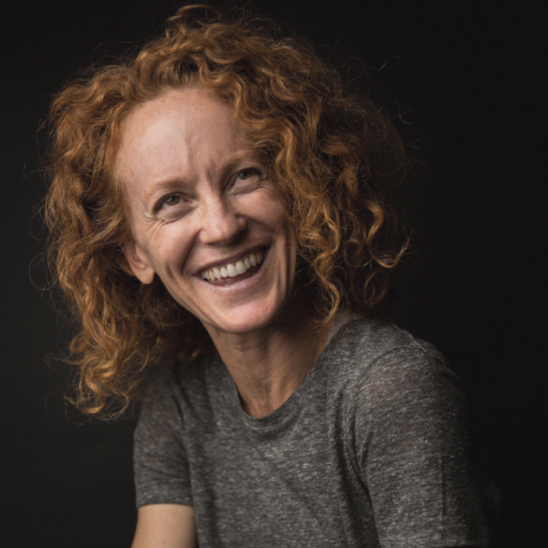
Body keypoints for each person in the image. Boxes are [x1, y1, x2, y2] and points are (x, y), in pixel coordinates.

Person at [44, 5, 497, 547]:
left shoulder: (390, 388)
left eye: (245, 176)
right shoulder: (182, 405)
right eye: (171, 201)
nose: (221, 226)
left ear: (300, 188)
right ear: (134, 257)